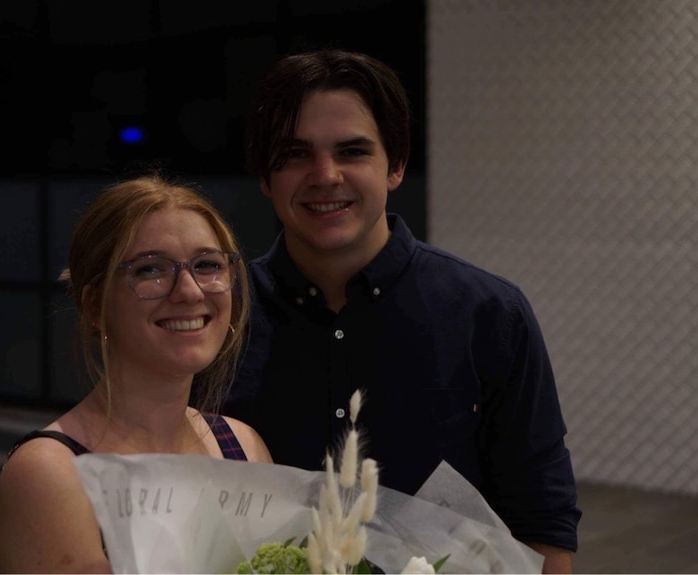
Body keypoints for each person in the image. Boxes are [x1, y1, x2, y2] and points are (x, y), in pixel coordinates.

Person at [222, 48, 581, 573]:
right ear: (264, 177)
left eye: (352, 151)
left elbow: (542, 520)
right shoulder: (218, 318)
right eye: (295, 154)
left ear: (397, 164)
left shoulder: (489, 313)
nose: (325, 175)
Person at [0, 172, 273, 573]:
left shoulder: (242, 446)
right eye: (151, 270)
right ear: (94, 306)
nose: (190, 291)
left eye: (207, 264)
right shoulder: (53, 473)